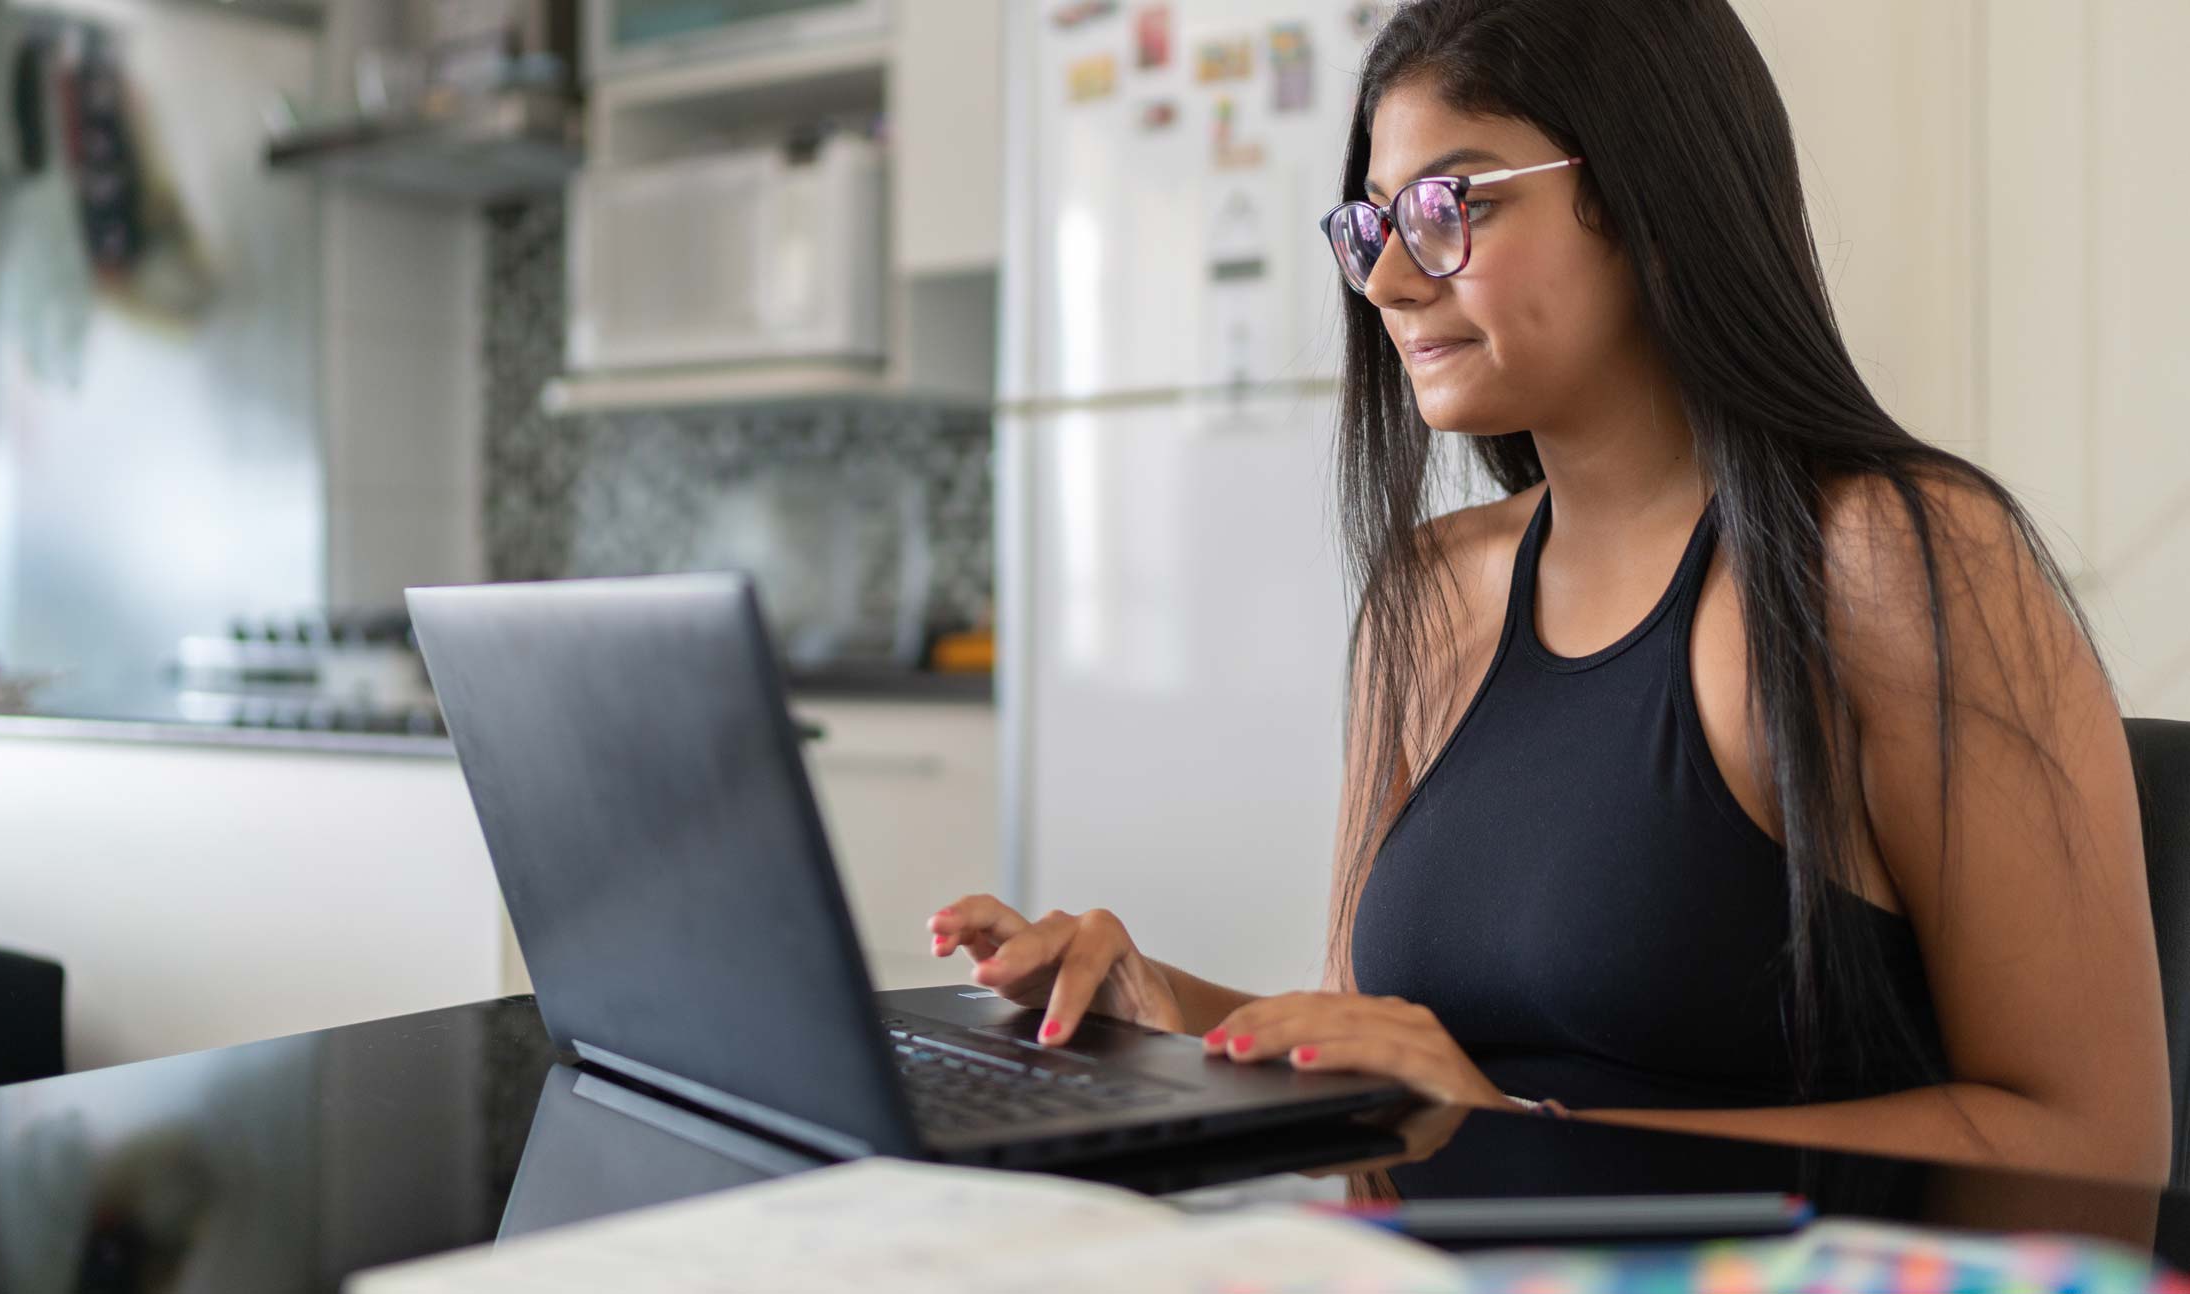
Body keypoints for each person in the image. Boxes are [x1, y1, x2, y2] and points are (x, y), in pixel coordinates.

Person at [929, 0, 2172, 1188]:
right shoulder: (1427, 597)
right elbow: (1372, 1054)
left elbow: (2088, 1139)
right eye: (1370, 224)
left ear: (1646, 192)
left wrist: (1517, 1128)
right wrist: (1152, 1008)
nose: (1387, 282)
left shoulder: (1895, 564)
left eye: (1446, 204)